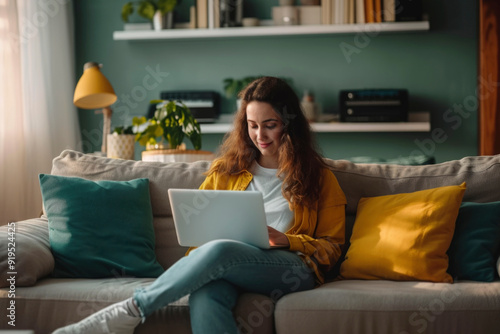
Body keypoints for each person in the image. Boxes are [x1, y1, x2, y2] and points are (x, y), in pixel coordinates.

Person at [53, 76, 346, 334]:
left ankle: (129, 311)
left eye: (270, 125)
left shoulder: (319, 178)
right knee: (206, 292)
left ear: (289, 124)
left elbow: (332, 249)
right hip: (230, 264)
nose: (260, 136)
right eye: (253, 125)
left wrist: (288, 240)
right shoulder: (225, 171)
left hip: (292, 270)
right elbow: (198, 239)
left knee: (220, 249)